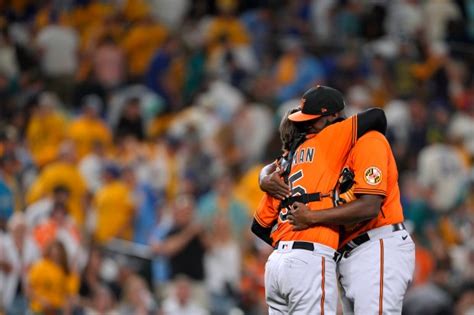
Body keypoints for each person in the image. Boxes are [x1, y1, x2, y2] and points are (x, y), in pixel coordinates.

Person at [251, 85, 387, 314]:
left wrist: (289, 240)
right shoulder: (329, 138)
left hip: (276, 265)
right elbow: (377, 116)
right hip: (309, 260)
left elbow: (258, 227)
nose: (310, 123)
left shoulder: (281, 166)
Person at [285, 127, 415, 314]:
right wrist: (264, 176)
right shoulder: (329, 158)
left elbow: (370, 206)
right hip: (350, 255)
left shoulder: (368, 141)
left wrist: (312, 217)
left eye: (313, 124)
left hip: (377, 244)